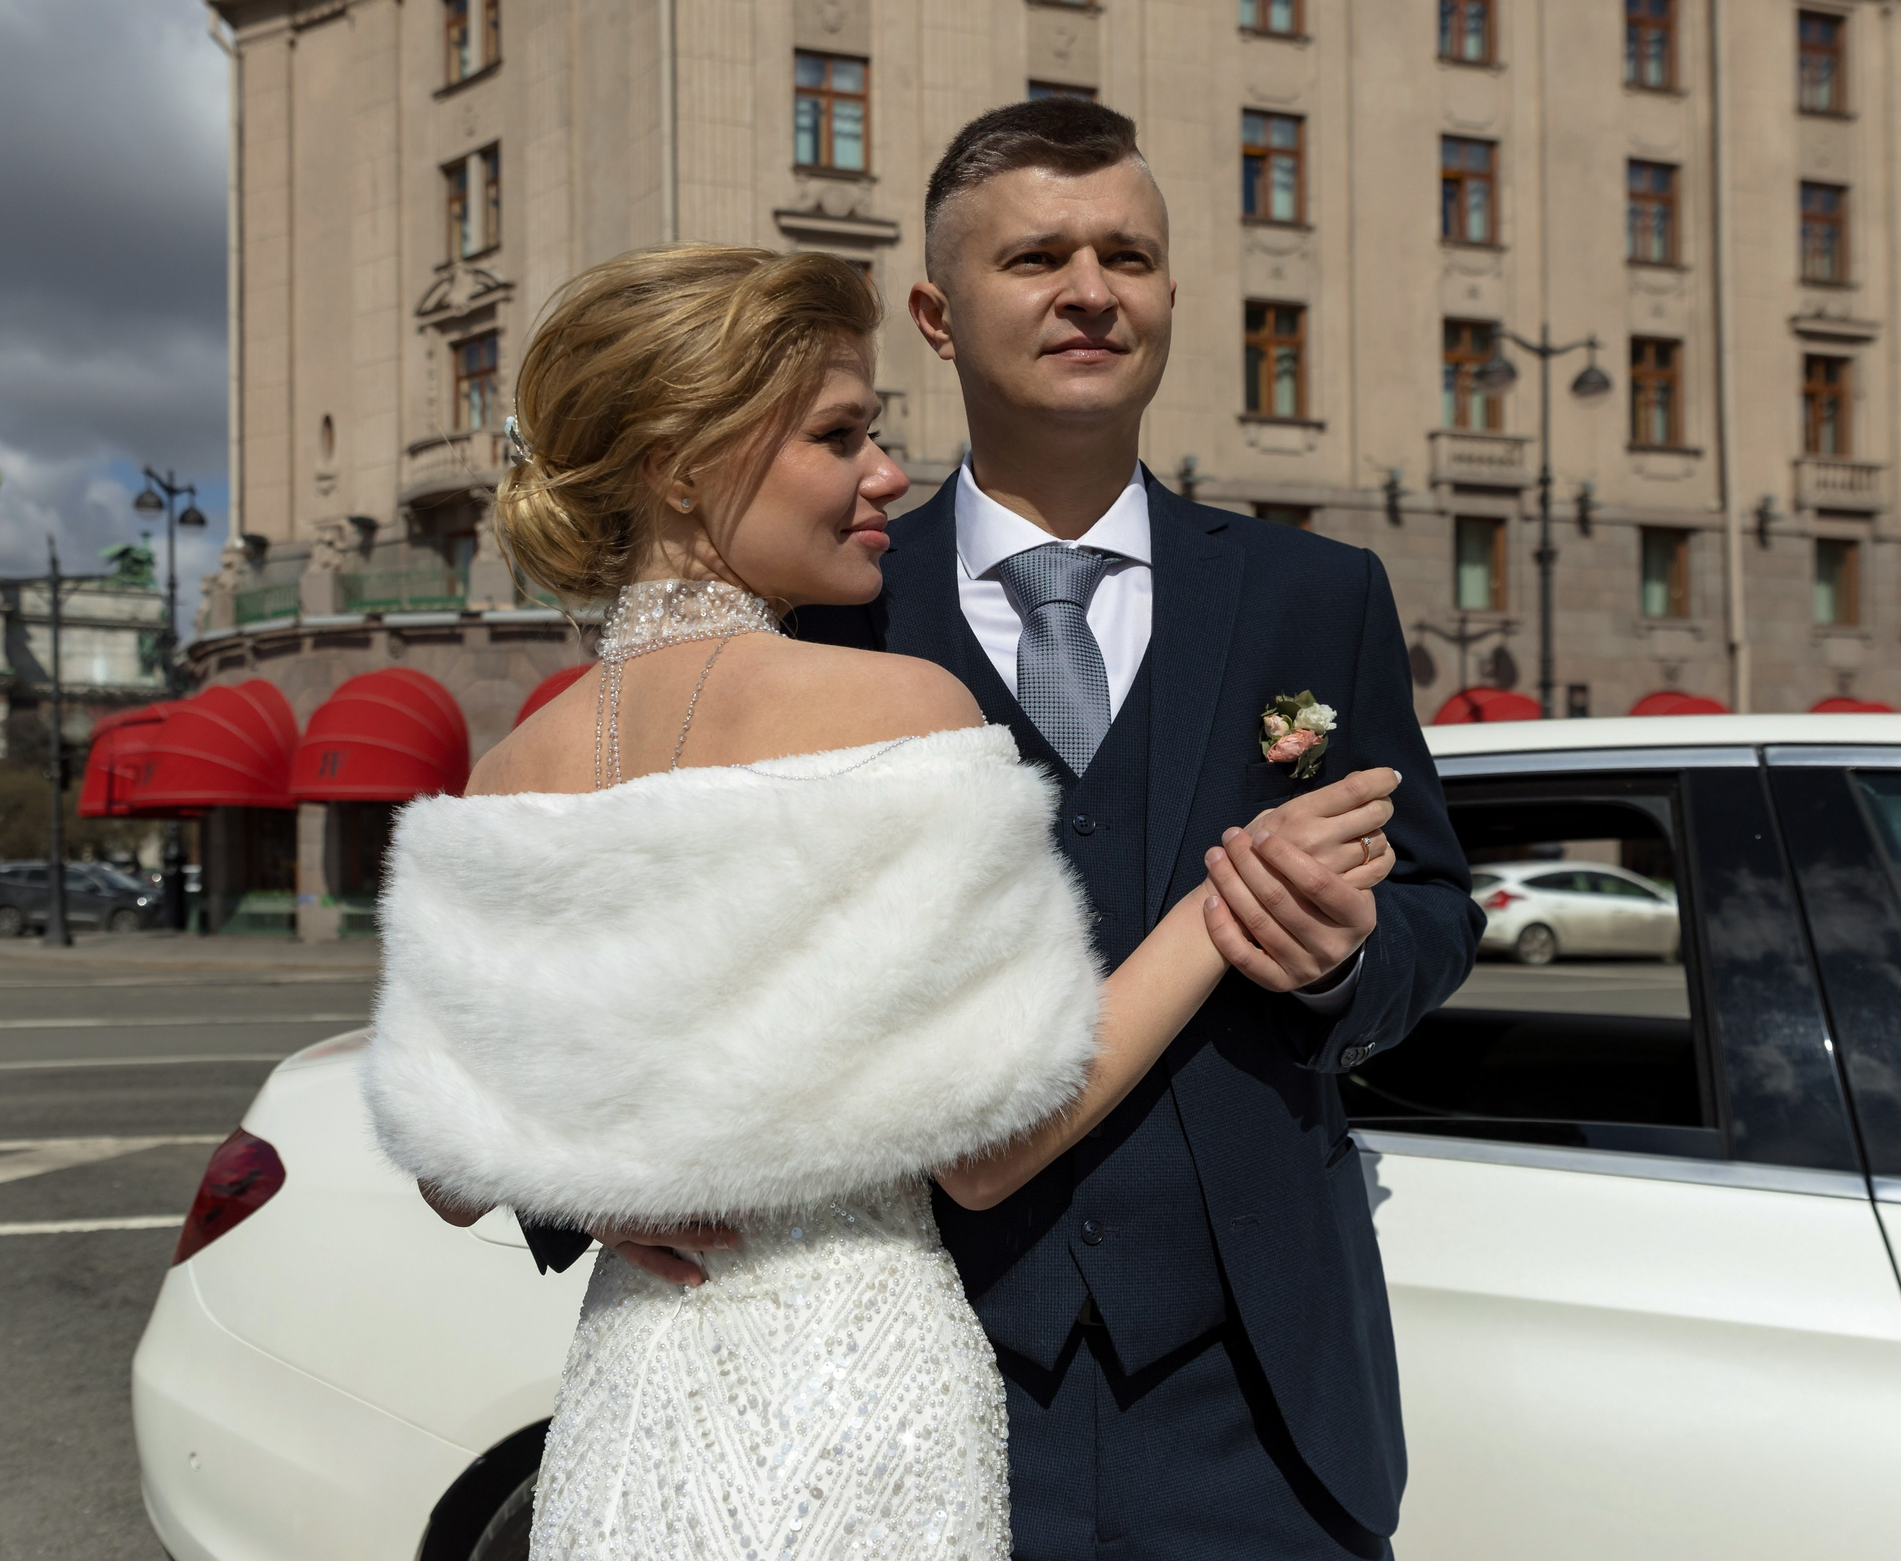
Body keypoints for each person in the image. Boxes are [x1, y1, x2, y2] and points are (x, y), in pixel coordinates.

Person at [365, 243, 1406, 1559]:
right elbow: (986, 1157)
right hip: (860, 1398)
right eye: (840, 435)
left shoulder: (511, 766)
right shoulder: (892, 708)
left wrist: (611, 1172)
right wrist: (1221, 909)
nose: (884, 476)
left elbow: (453, 1175)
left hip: (630, 1406)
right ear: (681, 466)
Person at [800, 100, 1479, 1559]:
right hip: (919, 1370)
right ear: (935, 311)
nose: (1091, 289)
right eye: (1038, 256)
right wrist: (614, 1205)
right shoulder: (831, 615)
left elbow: (1437, 908)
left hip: (1264, 1401)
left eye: (1130, 255)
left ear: (1172, 295)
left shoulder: (1319, 597)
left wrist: (1350, 961)